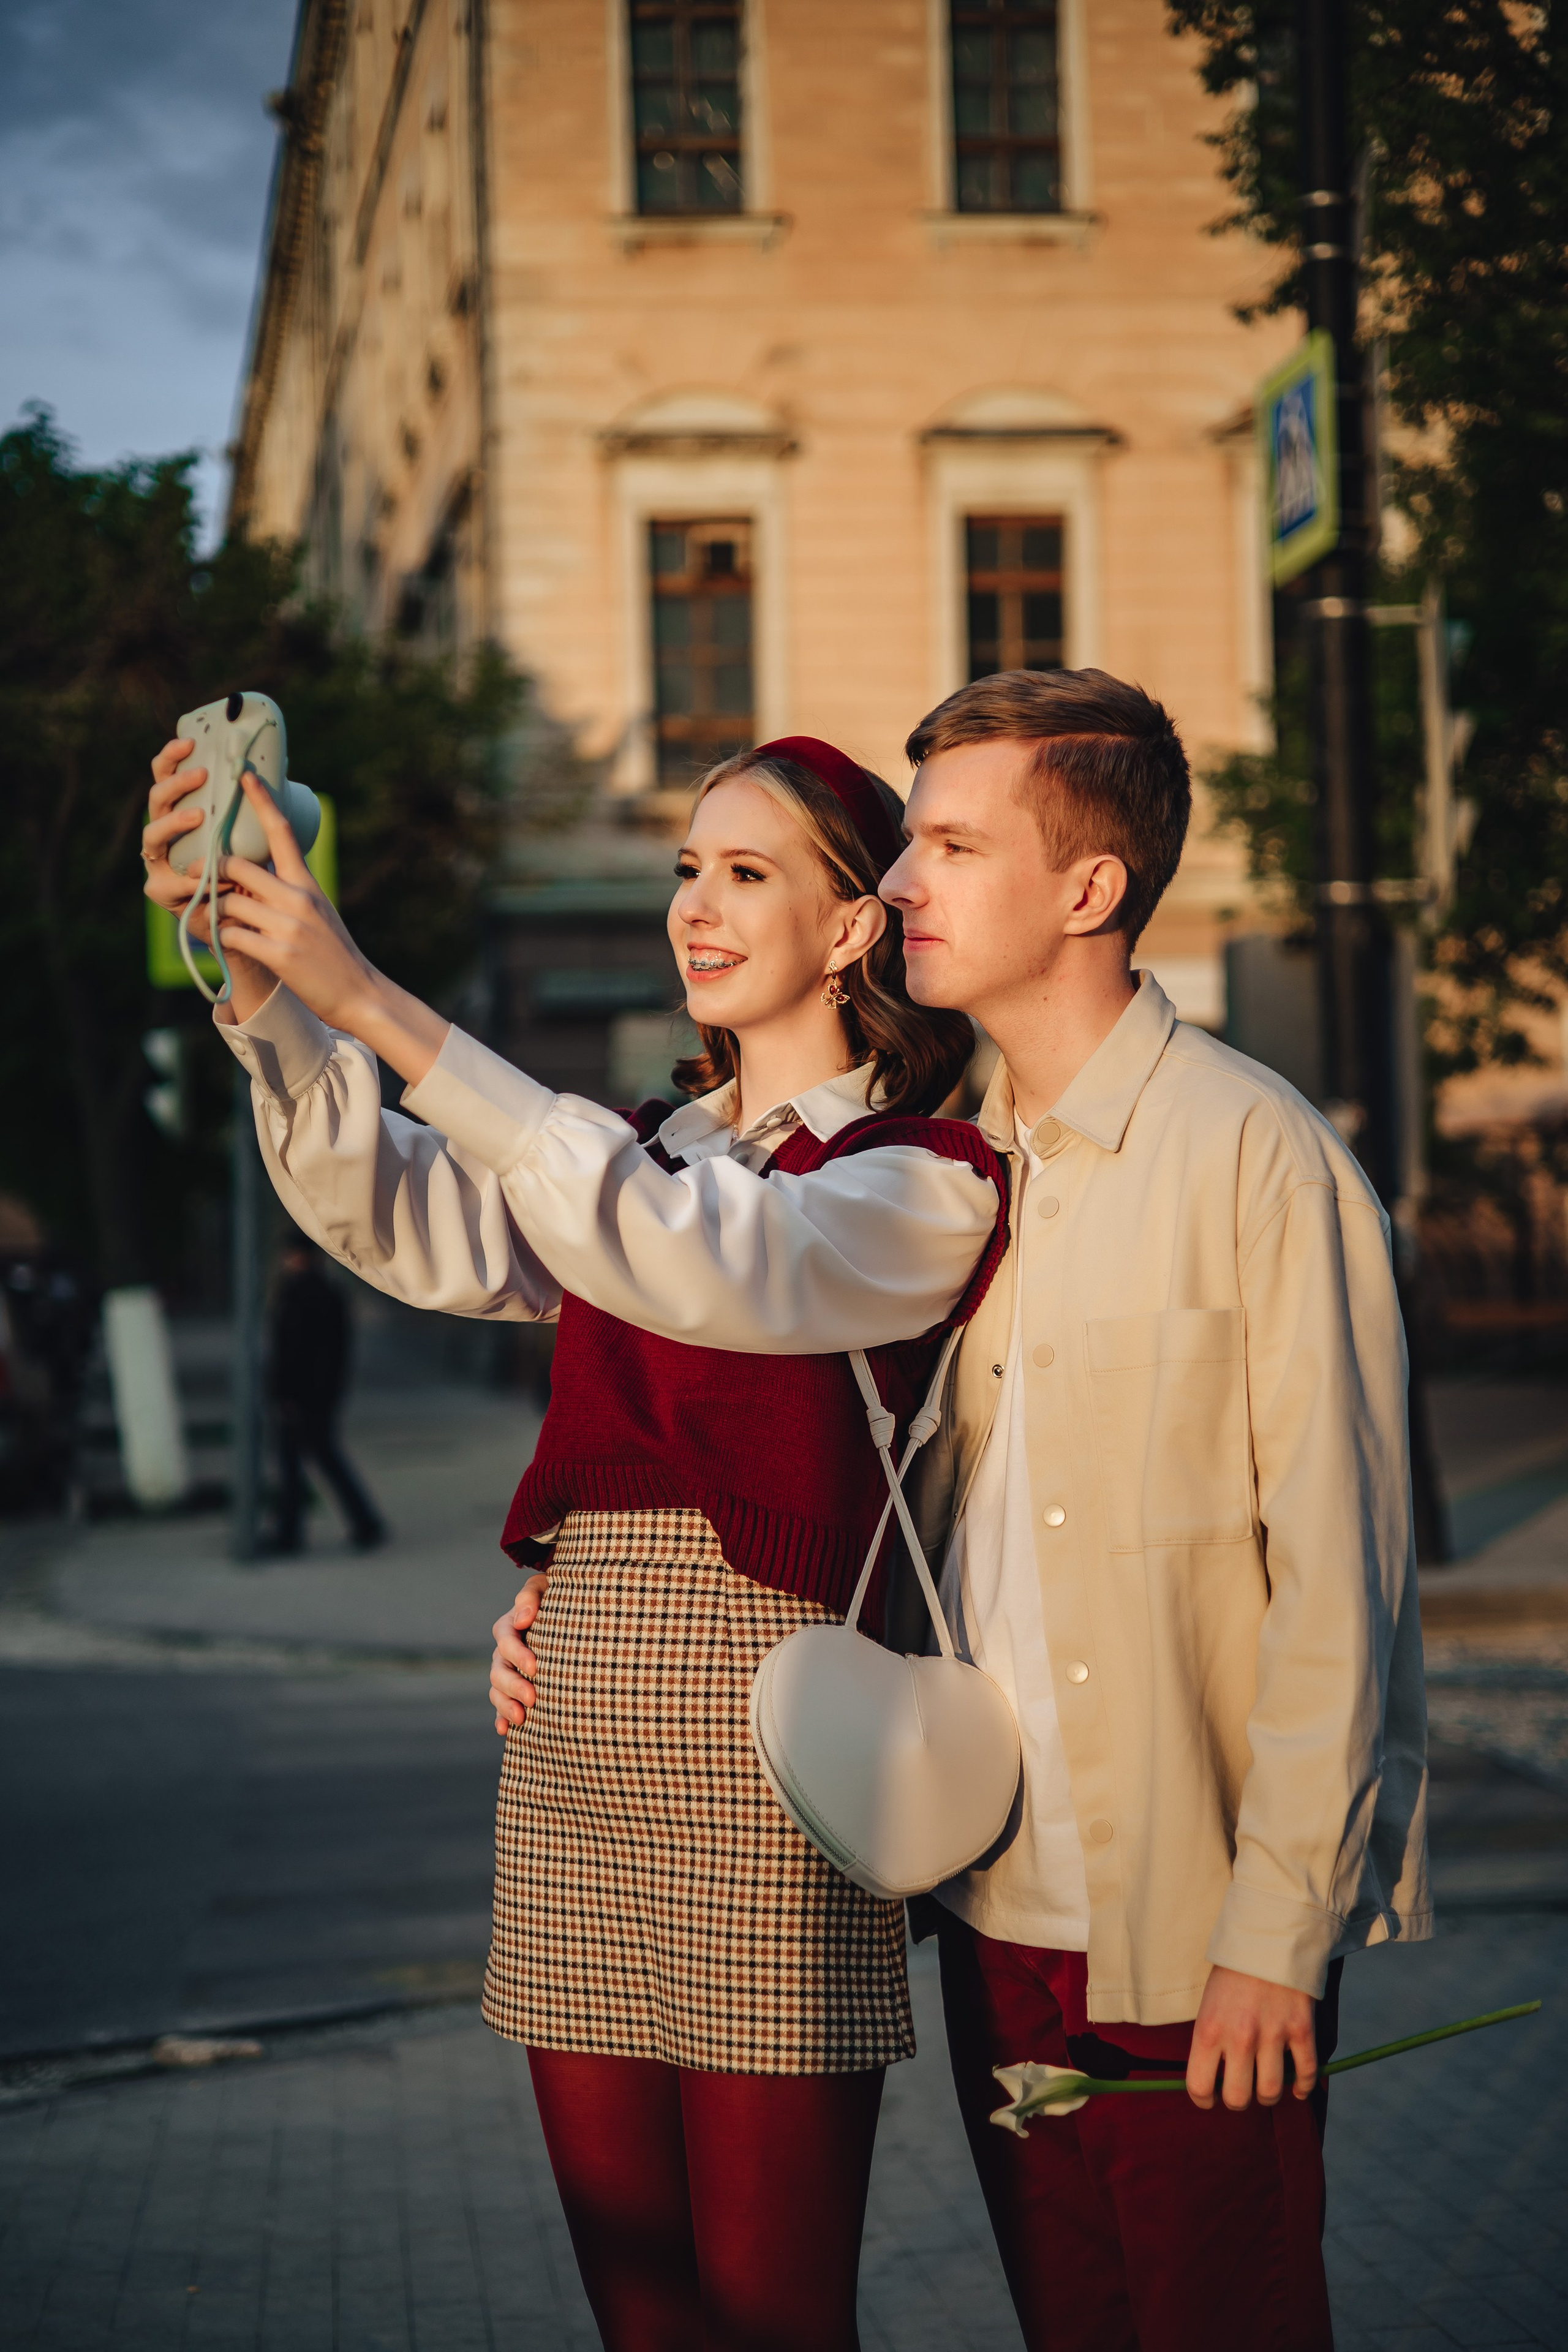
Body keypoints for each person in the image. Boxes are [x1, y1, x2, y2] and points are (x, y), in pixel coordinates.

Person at [486, 667, 1430, 2352]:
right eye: (907, 842)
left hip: (1185, 1923)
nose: (904, 879)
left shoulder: (1254, 1158)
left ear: (1087, 888)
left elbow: (1339, 1592)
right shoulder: (950, 1166)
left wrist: (1276, 1941)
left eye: (949, 846)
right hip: (997, 1913)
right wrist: (571, 1585)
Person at [141, 726, 1008, 2352]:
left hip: (779, 1749)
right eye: (686, 869)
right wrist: (259, 964)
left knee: (771, 2314)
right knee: (639, 2310)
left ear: (852, 927)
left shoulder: (917, 1180)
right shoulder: (642, 1149)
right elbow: (393, 1213)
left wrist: (371, 997)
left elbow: (704, 1258)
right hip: (577, 1730)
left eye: (746, 872)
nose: (695, 906)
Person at [266, 1236, 386, 1553]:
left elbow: (299, 1352)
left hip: (304, 1396)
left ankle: (292, 1533)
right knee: (320, 1458)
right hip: (316, 1395)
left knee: (299, 1462)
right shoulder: (322, 1291)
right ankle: (363, 1523)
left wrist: (289, 1394)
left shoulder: (303, 1294)